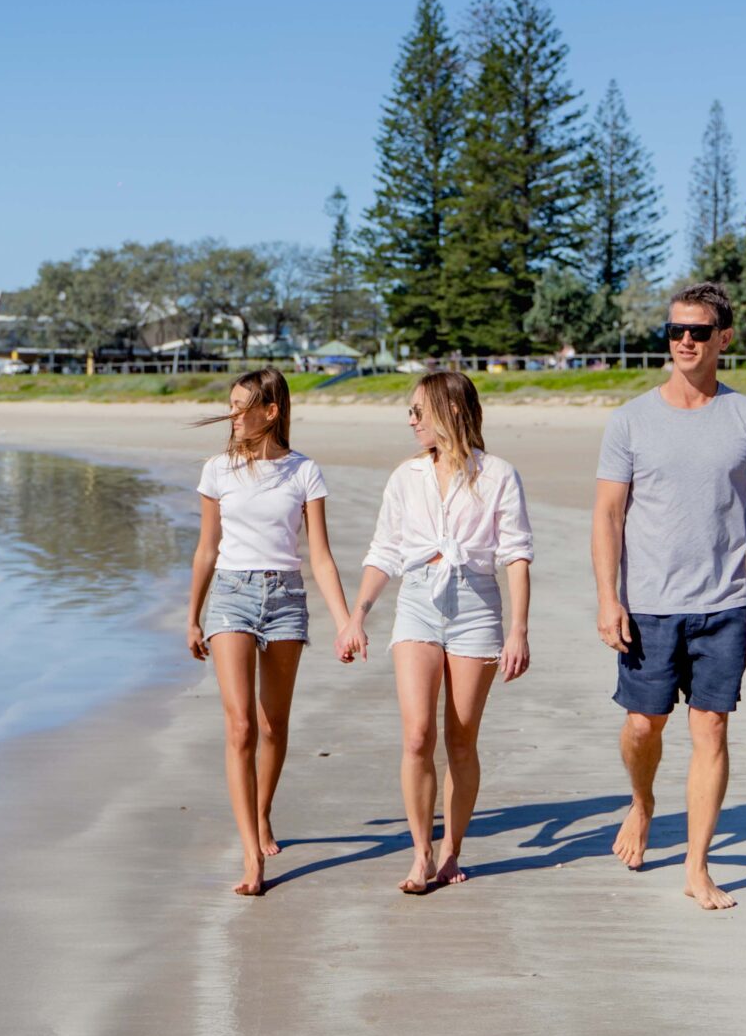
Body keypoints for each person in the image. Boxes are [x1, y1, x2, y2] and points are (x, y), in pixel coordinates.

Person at [592, 281, 746, 908]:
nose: (685, 340)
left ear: (723, 338)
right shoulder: (629, 421)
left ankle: (697, 865)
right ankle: (642, 800)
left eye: (699, 331)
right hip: (648, 604)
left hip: (724, 603)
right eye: (676, 330)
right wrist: (608, 596)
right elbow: (607, 515)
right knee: (641, 725)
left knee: (710, 729)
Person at [339, 371, 534, 892]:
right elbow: (384, 552)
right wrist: (358, 614)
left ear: (449, 413)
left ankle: (452, 852)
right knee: (417, 735)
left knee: (461, 740)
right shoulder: (406, 477)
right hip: (419, 602)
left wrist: (518, 629)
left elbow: (515, 554)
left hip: (476, 605)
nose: (411, 420)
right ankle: (421, 853)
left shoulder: (497, 475)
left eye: (418, 411)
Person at [186, 368, 354, 896]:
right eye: (230, 405)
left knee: (273, 725)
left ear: (271, 411)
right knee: (241, 728)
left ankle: (262, 814)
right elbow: (207, 549)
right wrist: (192, 614)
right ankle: (251, 857)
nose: (233, 414)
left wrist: (346, 620)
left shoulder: (305, 473)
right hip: (231, 597)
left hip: (286, 599)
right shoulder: (217, 470)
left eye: (242, 406)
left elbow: (321, 558)